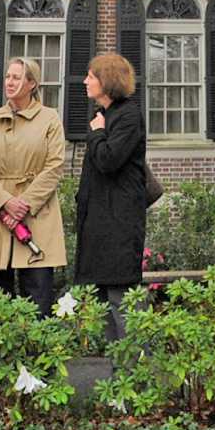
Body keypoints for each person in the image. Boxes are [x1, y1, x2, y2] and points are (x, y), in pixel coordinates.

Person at [0, 57, 66, 313]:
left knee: (38, 297)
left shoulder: (50, 119)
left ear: (32, 83)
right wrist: (4, 203)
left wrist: (24, 205)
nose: (9, 82)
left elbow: (55, 165)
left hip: (37, 215)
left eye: (17, 77)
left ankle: (38, 352)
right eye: (8, 76)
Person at [72, 50, 146, 340]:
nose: (85, 81)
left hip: (119, 224)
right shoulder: (105, 115)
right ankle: (120, 375)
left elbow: (108, 160)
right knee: (105, 303)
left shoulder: (127, 115)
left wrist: (96, 133)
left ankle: (135, 374)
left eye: (91, 76)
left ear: (107, 80)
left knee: (122, 300)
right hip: (101, 223)